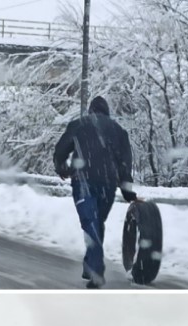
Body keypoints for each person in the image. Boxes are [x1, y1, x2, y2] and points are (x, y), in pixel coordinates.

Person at [53, 96, 137, 288]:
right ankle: (90, 265)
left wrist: (62, 169)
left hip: (83, 180)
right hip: (108, 184)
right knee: (96, 222)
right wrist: (128, 192)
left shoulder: (79, 124)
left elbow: (60, 150)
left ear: (90, 110)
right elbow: (125, 164)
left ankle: (96, 269)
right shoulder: (119, 131)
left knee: (90, 222)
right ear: (107, 112)